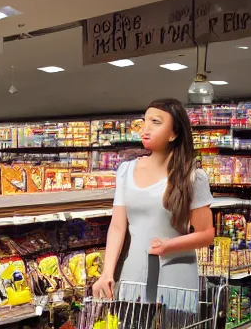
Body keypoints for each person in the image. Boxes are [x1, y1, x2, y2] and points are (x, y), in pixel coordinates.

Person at [92, 98, 215, 304]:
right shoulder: (126, 170)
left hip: (176, 277)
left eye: (156, 122)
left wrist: (170, 245)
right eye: (144, 121)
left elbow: (206, 234)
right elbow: (117, 226)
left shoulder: (192, 177)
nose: (145, 129)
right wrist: (107, 273)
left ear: (174, 133)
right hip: (134, 273)